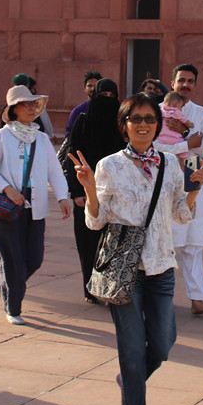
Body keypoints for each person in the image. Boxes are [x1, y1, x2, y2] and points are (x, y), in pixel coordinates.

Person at [71, 93, 203, 405]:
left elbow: (180, 214)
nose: (143, 124)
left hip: (161, 264)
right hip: (124, 268)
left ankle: (130, 381)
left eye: (149, 118)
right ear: (124, 125)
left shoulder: (169, 163)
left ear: (158, 125)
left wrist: (194, 191)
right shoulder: (109, 166)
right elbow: (96, 222)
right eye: (135, 119)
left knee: (162, 343)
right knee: (132, 348)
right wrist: (89, 189)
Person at [0, 84, 72, 325]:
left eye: (34, 103)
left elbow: (55, 171)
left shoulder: (41, 138)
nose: (32, 108)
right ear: (13, 109)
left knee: (34, 258)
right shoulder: (1, 136)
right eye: (26, 103)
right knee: (13, 259)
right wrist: (8, 189)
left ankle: (7, 282)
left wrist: (63, 197)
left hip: (36, 206)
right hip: (8, 206)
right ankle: (13, 307)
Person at [61, 78, 124, 303]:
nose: (107, 100)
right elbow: (73, 157)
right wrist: (76, 191)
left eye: (111, 96)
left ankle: (108, 287)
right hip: (86, 192)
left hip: (115, 194)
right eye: (102, 96)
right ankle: (90, 286)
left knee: (113, 245)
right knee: (87, 244)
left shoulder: (121, 124)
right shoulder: (84, 121)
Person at [166, 64, 203, 315]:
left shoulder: (199, 113)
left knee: (193, 244)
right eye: (181, 80)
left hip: (193, 176)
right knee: (164, 241)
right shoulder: (158, 112)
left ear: (195, 85)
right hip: (167, 180)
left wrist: (187, 132)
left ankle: (198, 299)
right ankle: (159, 297)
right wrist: (186, 143)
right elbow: (155, 147)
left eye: (190, 81)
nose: (185, 85)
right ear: (172, 82)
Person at [66, 70, 103, 134]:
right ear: (84, 88)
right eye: (89, 86)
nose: (93, 89)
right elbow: (69, 134)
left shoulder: (109, 109)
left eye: (96, 86)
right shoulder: (78, 111)